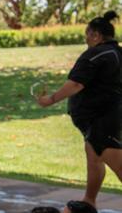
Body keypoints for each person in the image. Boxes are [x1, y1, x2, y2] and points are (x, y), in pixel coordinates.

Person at [36, 11, 121, 208]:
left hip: (102, 120)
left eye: (87, 33)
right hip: (104, 118)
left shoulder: (95, 54)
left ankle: (89, 202)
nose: (86, 38)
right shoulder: (116, 53)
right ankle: (89, 202)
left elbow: (75, 84)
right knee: (94, 160)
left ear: (96, 35)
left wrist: (49, 100)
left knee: (116, 162)